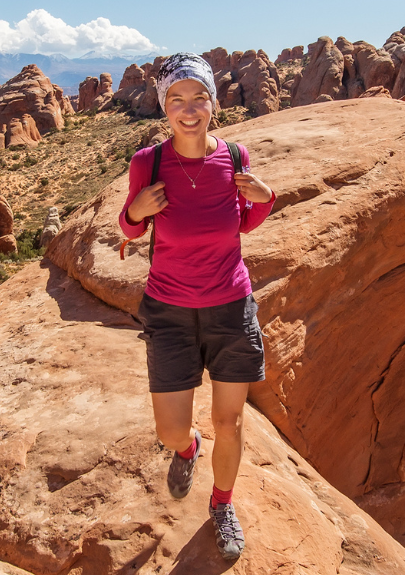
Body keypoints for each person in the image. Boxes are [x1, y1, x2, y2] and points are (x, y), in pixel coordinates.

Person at [118, 52, 276, 561]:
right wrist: (134, 213)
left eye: (198, 97)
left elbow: (243, 225)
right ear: (164, 106)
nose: (189, 109)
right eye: (177, 99)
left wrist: (265, 199)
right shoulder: (149, 162)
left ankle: (222, 502)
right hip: (168, 308)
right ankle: (188, 449)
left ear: (213, 101)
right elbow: (130, 230)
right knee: (169, 428)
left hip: (231, 305)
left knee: (229, 421)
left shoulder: (234, 156)